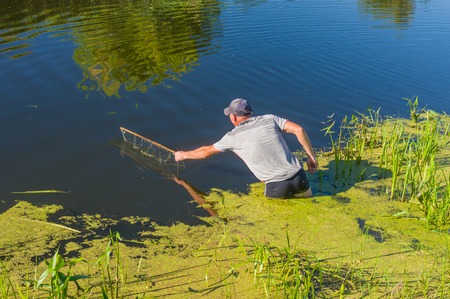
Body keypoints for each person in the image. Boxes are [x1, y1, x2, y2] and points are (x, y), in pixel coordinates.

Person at [174, 98, 318, 198]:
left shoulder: (233, 136)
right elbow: (299, 130)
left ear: (234, 117)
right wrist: (312, 157)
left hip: (276, 185)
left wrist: (183, 155)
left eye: (230, 115)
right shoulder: (270, 118)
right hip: (299, 176)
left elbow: (206, 152)